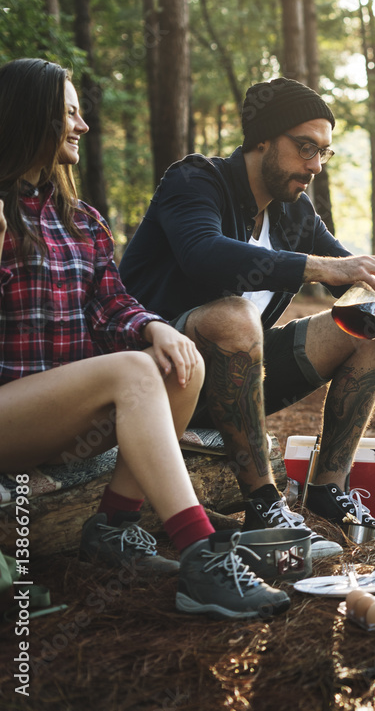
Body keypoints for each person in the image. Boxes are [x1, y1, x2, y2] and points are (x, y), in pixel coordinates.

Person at [0, 57, 289, 619]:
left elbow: (112, 304)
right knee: (134, 371)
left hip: (58, 416)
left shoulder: (80, 219)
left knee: (182, 364)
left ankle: (113, 528)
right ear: (31, 116)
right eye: (70, 113)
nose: (82, 126)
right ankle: (203, 555)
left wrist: (154, 326)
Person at [119, 77, 375, 550]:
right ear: (262, 140)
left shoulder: (294, 212)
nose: (315, 165)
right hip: (161, 374)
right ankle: (264, 503)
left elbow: (343, 268)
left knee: (374, 332)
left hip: (235, 383)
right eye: (305, 148)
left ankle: (328, 489)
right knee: (236, 316)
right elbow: (204, 253)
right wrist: (327, 267)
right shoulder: (195, 180)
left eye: (324, 152)